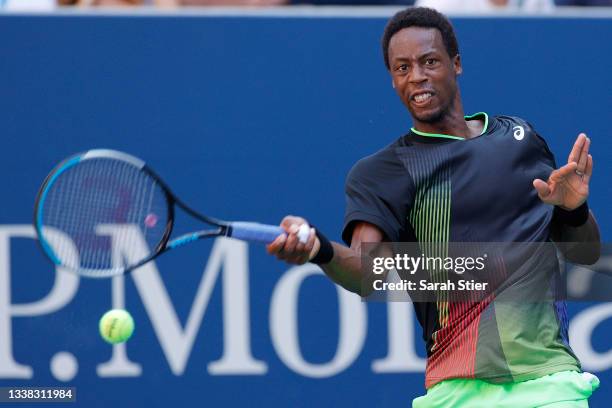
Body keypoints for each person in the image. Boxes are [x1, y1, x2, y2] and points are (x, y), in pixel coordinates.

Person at [266, 7, 602, 408]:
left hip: (550, 387)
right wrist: (319, 249)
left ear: (455, 64)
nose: (416, 77)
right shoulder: (384, 172)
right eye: (402, 67)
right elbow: (367, 272)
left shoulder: (521, 138)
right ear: (392, 79)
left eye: (429, 62)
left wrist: (574, 209)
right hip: (456, 394)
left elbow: (586, 254)